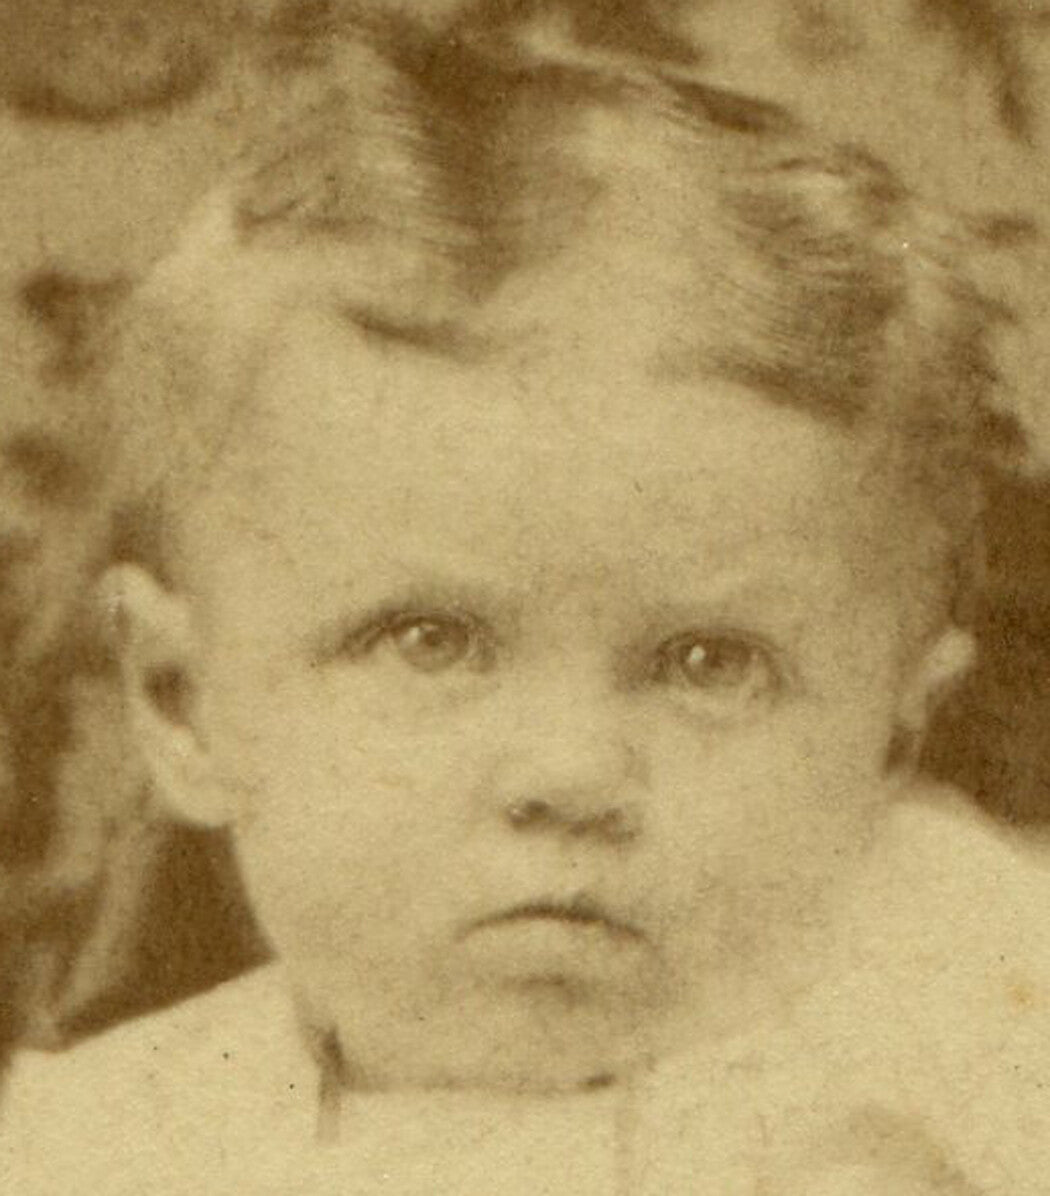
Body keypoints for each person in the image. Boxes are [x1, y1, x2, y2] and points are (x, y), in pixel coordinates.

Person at [2, 3, 1047, 1192]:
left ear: (892, 734)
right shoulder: (100, 1141)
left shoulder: (970, 1026)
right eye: (428, 638)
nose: (573, 772)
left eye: (711, 661)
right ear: (184, 703)